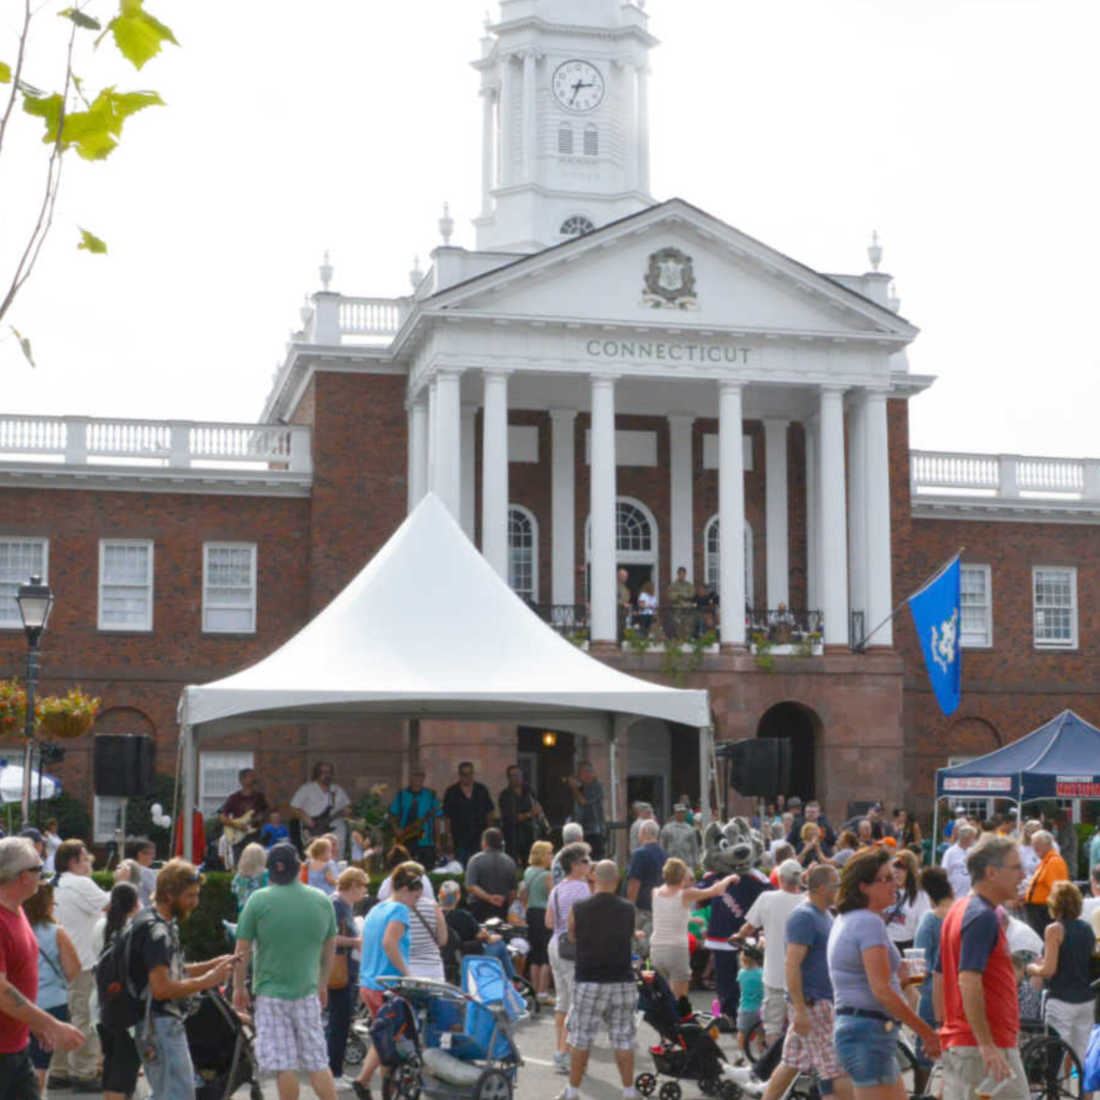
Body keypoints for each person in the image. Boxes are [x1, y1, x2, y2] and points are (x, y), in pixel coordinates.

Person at [827, 847, 940, 1100]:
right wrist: (926, 1032)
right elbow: (881, 989)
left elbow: (896, 975)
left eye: (895, 876)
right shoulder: (868, 923)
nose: (895, 883)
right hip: (867, 1032)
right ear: (864, 886)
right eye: (886, 878)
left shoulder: (850, 918)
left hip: (864, 1030)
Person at [232, 843, 338, 1100]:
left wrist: (238, 986)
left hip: (270, 993)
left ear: (270, 871)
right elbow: (329, 947)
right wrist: (323, 983)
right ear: (299, 867)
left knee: (284, 1065)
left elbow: (241, 949)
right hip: (307, 990)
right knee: (316, 1061)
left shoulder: (258, 900)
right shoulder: (322, 901)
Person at [131, 860, 236, 1100]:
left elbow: (172, 973)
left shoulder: (154, 921)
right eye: (190, 895)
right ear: (169, 894)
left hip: (155, 1024)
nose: (195, 902)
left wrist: (214, 964)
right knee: (179, 1094)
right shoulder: (157, 933)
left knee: (167, 1093)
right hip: (160, 1024)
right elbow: (161, 988)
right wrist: (209, 979)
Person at [935, 836, 1027, 1100]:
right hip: (984, 1046)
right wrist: (986, 1045)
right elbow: (968, 980)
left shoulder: (959, 910)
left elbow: (940, 975)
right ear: (991, 873)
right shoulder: (982, 916)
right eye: (1016, 867)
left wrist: (946, 1035)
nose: (1023, 874)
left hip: (967, 1044)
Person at [0, 837, 85, 1100]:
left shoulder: (17, 910)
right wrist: (52, 1025)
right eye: (40, 870)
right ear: (23, 876)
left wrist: (37, 1027)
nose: (44, 877)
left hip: (16, 1049)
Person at [759, 864, 853, 1100]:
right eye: (836, 885)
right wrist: (800, 1009)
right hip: (813, 1003)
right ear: (822, 888)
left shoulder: (825, 915)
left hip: (816, 1002)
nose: (840, 890)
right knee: (836, 1070)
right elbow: (792, 964)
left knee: (791, 1064)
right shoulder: (804, 917)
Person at [555, 859, 637, 1100]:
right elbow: (631, 935)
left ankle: (572, 1091)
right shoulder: (627, 908)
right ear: (617, 880)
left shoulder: (579, 908)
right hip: (622, 978)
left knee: (581, 1038)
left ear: (594, 879)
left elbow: (571, 936)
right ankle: (629, 1090)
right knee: (623, 1037)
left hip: (589, 978)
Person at [352, 862, 424, 1100]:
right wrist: (407, 974)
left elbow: (364, 942)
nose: (416, 901)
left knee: (381, 1035)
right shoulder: (399, 911)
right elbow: (389, 942)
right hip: (388, 985)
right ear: (405, 889)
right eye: (415, 895)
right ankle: (387, 1090)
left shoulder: (376, 909)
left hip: (368, 981)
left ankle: (364, 1081)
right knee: (391, 1042)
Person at [51, 839, 109, 1090]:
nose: (89, 865)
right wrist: (126, 880)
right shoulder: (80, 883)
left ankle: (59, 1070)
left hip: (58, 964)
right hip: (84, 961)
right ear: (74, 861)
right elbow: (112, 906)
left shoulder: (54, 883)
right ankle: (84, 1073)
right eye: (86, 859)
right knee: (84, 1016)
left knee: (62, 1016)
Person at [1025, 881, 1096, 1074]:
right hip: (1085, 1000)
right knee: (1080, 1058)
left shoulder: (1054, 930)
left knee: (1054, 1059)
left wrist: (1031, 968)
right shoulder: (1087, 929)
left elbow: (1049, 969)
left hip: (1061, 1000)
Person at [737, 858, 806, 1046]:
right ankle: (798, 1065)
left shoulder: (767, 899)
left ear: (780, 878)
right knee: (798, 1024)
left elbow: (748, 928)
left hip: (774, 973)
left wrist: (738, 936)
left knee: (772, 1025)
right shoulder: (807, 902)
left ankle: (774, 1064)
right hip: (801, 975)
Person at [22, 883, 80, 1096]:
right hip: (51, 1003)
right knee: (40, 1062)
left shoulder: (13, 927)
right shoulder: (56, 932)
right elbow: (73, 970)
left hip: (17, 1002)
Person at [650, 859, 739, 999]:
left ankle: (666, 1019)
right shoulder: (686, 894)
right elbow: (716, 891)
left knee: (664, 996)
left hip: (656, 949)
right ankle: (680, 1019)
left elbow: (668, 913)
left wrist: (690, 918)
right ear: (682, 876)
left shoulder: (656, 892)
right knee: (680, 998)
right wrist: (729, 878)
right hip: (676, 949)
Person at [701, 855, 772, 1024]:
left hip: (745, 934)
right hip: (720, 934)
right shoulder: (714, 875)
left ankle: (750, 1015)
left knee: (749, 977)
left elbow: (770, 893)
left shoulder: (754, 876)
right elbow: (699, 899)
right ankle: (726, 1016)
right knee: (724, 979)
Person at [92, 882, 143, 1100]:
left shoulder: (100, 926)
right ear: (134, 905)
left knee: (111, 1063)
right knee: (124, 1071)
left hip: (100, 1004)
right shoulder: (133, 931)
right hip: (125, 1010)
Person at [546, 842, 592, 1075]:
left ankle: (559, 1050)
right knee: (577, 1002)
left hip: (555, 943)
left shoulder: (557, 888)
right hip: (572, 947)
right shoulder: (582, 889)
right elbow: (585, 922)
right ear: (575, 865)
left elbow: (548, 922)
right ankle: (568, 1053)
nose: (589, 863)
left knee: (563, 1001)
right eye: (585, 860)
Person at [911, 867, 953, 1092]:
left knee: (925, 1051)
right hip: (959, 993)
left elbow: (918, 966)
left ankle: (920, 1093)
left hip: (931, 993)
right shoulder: (960, 913)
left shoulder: (930, 919)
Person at [326, 866, 369, 1084]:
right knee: (339, 1021)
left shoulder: (342, 905)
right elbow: (329, 937)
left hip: (344, 968)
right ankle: (333, 1072)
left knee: (340, 1020)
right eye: (363, 886)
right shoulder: (337, 905)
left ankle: (333, 1069)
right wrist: (355, 942)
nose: (364, 891)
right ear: (353, 885)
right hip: (339, 969)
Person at [437, 881, 515, 980]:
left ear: (439, 895)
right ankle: (513, 980)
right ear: (458, 896)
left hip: (442, 956)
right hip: (466, 957)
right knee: (499, 944)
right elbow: (484, 937)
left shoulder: (433, 916)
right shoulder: (463, 916)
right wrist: (496, 937)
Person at [291, 762, 352, 858]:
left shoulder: (337, 790)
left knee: (336, 854)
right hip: (313, 828)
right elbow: (294, 807)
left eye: (329, 772)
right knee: (316, 855)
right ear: (316, 773)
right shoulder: (306, 789)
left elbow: (347, 807)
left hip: (336, 829)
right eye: (323, 772)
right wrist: (306, 818)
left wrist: (347, 812)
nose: (326, 775)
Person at [442, 762, 495, 867]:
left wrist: (490, 834)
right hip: (459, 838)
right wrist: (449, 837)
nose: (467, 777)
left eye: (470, 774)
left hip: (479, 837)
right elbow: (447, 817)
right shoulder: (451, 792)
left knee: (479, 867)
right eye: (464, 774)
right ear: (460, 775)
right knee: (460, 867)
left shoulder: (481, 790)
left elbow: (489, 812)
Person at [387, 767, 441, 868]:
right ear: (410, 777)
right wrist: (396, 829)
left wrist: (437, 841)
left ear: (424, 778)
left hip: (425, 839)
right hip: (405, 838)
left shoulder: (431, 795)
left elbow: (437, 818)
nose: (418, 778)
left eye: (421, 775)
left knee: (427, 867)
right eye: (415, 775)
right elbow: (392, 814)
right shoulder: (401, 795)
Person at [520, 840, 553, 1002]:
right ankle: (543, 992)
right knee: (546, 955)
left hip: (531, 913)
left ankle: (533, 989)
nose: (551, 856)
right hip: (544, 913)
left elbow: (523, 895)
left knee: (534, 954)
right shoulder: (547, 875)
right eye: (549, 853)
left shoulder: (528, 872)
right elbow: (552, 897)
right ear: (542, 855)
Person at [464, 827, 517, 923]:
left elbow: (470, 886)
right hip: (501, 907)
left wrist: (489, 897)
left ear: (484, 842)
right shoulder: (510, 861)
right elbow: (513, 891)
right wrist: (508, 907)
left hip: (478, 908)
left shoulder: (475, 860)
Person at [218, 767, 270, 863]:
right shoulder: (234, 798)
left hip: (254, 835)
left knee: (255, 862)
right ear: (242, 780)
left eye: (254, 776)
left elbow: (266, 812)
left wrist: (261, 817)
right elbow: (222, 817)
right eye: (251, 776)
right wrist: (237, 825)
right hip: (238, 836)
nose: (254, 778)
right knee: (239, 862)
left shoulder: (259, 797)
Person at [625, 819, 666, 939]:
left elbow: (634, 882)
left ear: (643, 832)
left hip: (642, 909)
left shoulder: (639, 854)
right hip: (660, 907)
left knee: (639, 943)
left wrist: (630, 906)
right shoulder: (665, 855)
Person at [1023, 830, 1069, 935]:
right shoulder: (1046, 861)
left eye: (1037, 844)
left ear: (1048, 844)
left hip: (1043, 910)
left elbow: (1057, 889)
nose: (1034, 848)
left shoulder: (1054, 862)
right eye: (1033, 844)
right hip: (1037, 910)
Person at [883, 849, 930, 953]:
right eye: (894, 866)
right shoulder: (884, 890)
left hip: (906, 947)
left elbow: (923, 928)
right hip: (884, 944)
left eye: (902, 867)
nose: (896, 871)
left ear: (910, 871)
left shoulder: (920, 895)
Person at [497, 764, 544, 864]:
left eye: (518, 775)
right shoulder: (505, 795)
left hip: (530, 834)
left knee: (531, 863)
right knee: (513, 864)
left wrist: (539, 813)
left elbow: (537, 807)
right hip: (513, 836)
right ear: (509, 778)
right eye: (513, 775)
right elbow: (511, 817)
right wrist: (530, 814)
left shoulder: (529, 791)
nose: (517, 778)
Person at [567, 761, 606, 860]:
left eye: (588, 772)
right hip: (579, 830)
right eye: (582, 772)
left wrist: (574, 788)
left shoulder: (596, 786)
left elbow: (583, 801)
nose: (585, 775)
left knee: (595, 859)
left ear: (593, 773)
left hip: (594, 831)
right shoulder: (580, 787)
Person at [736, 944, 764, 1061]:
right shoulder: (762, 973)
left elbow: (741, 989)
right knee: (761, 1033)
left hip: (745, 1008)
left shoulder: (741, 974)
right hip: (760, 1009)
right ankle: (762, 1054)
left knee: (742, 1032)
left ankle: (740, 1054)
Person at [942, 823, 978, 899]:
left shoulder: (972, 851)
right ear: (966, 838)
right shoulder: (950, 852)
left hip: (969, 895)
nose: (974, 841)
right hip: (955, 894)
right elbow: (944, 872)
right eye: (973, 838)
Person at [231, 842, 268, 914]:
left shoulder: (238, 877)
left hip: (243, 913)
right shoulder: (266, 875)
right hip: (263, 914)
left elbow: (234, 890)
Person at [660, 803, 700, 869]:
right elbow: (662, 846)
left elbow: (694, 847)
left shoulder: (690, 829)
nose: (681, 814)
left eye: (682, 812)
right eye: (678, 812)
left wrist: (696, 862)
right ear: (675, 813)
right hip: (671, 862)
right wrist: (662, 861)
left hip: (686, 862)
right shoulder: (667, 828)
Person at [127, 839, 158, 909]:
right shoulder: (146, 872)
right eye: (151, 853)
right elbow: (157, 893)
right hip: (145, 911)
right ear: (140, 854)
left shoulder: (125, 869)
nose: (153, 857)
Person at [667, 566, 695, 638]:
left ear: (685, 574)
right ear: (678, 574)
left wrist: (680, 594)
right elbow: (671, 596)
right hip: (677, 609)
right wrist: (681, 595)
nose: (682, 576)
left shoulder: (689, 585)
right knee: (677, 625)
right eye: (680, 574)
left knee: (688, 625)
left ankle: (687, 639)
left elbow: (692, 594)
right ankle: (679, 639)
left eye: (683, 574)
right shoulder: (673, 585)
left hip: (687, 610)